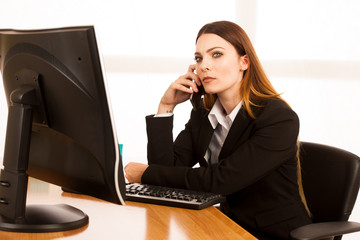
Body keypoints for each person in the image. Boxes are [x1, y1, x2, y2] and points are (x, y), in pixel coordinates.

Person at [124, 20, 312, 240]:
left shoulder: (278, 118)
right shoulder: (205, 113)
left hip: (270, 234)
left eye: (216, 54)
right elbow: (166, 170)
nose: (204, 65)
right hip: (222, 226)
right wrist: (166, 107)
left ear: (244, 62)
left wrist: (145, 173)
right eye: (198, 58)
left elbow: (222, 180)